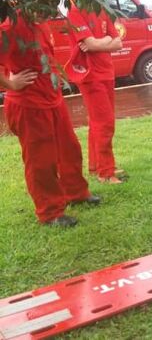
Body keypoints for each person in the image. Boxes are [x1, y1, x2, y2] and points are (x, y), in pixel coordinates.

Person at [0, 14, 101, 227]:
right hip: (29, 105)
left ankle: (76, 193)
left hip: (52, 99)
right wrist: (11, 83)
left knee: (70, 149)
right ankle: (50, 213)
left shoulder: (41, 21)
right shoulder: (9, 26)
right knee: (41, 161)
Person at [67, 2, 125, 184]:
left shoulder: (101, 8)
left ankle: (97, 166)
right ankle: (106, 172)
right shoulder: (75, 11)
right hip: (90, 75)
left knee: (98, 121)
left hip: (107, 72)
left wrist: (99, 43)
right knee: (104, 122)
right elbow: (89, 44)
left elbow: (118, 42)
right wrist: (105, 41)